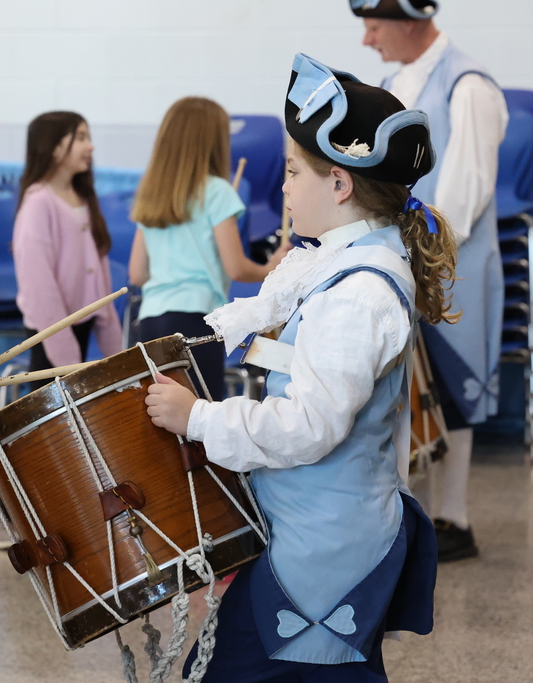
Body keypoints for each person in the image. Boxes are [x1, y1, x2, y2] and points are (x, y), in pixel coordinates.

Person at [145, 54, 452, 681]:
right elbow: (308, 377)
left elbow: (312, 426)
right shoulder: (336, 270)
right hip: (311, 532)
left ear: (340, 185)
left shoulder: (356, 294)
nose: (280, 188)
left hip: (325, 549)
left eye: (290, 172)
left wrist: (200, 417)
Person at [352, 0, 508, 562]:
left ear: (410, 19)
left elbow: (464, 198)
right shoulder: (391, 83)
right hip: (402, 256)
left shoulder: (468, 86)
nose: (368, 39)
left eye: (374, 26)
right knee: (402, 387)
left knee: (451, 386)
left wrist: (409, 253)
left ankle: (453, 518)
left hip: (449, 265)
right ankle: (405, 513)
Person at [0, 111, 123, 550]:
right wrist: (69, 365)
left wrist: (115, 356)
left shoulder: (82, 198)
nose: (89, 146)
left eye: (88, 136)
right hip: (51, 340)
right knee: (37, 441)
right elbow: (43, 294)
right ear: (52, 146)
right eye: (79, 137)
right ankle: (8, 519)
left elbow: (99, 281)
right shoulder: (39, 202)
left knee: (67, 437)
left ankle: (57, 517)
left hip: (78, 338)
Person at [128, 97, 291, 400]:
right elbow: (236, 268)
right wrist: (271, 266)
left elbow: (137, 273)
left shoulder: (152, 194)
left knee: (162, 425)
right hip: (196, 323)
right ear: (213, 141)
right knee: (200, 420)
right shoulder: (217, 192)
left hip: (151, 323)